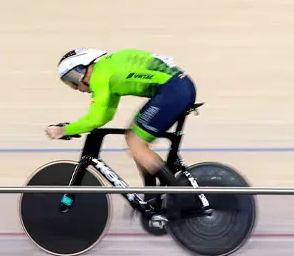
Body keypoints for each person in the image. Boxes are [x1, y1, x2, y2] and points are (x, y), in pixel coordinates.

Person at [47, 48, 197, 208]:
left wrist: (63, 131)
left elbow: (95, 118)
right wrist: (73, 127)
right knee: (133, 137)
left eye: (71, 80)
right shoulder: (106, 69)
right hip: (175, 87)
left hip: (173, 90)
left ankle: (180, 200)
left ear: (80, 70)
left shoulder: (99, 76)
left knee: (136, 143)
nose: (76, 87)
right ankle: (153, 199)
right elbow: (105, 116)